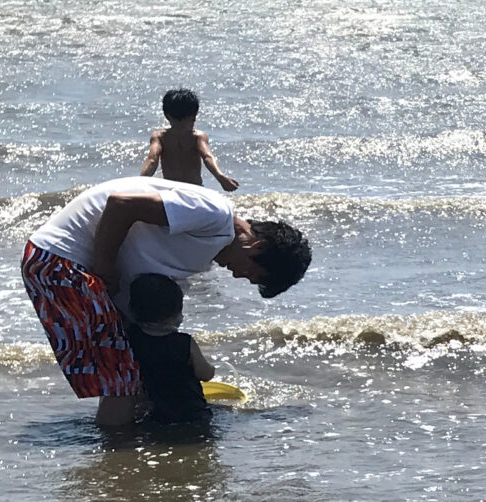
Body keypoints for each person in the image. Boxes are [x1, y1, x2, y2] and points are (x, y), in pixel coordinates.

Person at [19, 176, 309, 428]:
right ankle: (117, 452)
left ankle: (129, 446)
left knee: (132, 366)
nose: (240, 277)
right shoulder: (214, 215)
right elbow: (122, 204)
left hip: (64, 265)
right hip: (59, 260)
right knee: (122, 380)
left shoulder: (202, 252)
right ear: (256, 247)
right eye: (253, 275)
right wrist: (105, 268)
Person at [122, 274, 213, 425]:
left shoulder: (131, 339)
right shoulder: (184, 342)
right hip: (193, 413)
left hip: (155, 415)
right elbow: (205, 374)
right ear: (177, 312)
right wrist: (212, 369)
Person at [141, 88, 240, 191]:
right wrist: (220, 177)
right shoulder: (197, 136)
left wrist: (140, 181)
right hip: (194, 188)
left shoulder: (160, 136)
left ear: (167, 116)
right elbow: (208, 157)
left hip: (171, 189)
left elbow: (152, 159)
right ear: (194, 116)